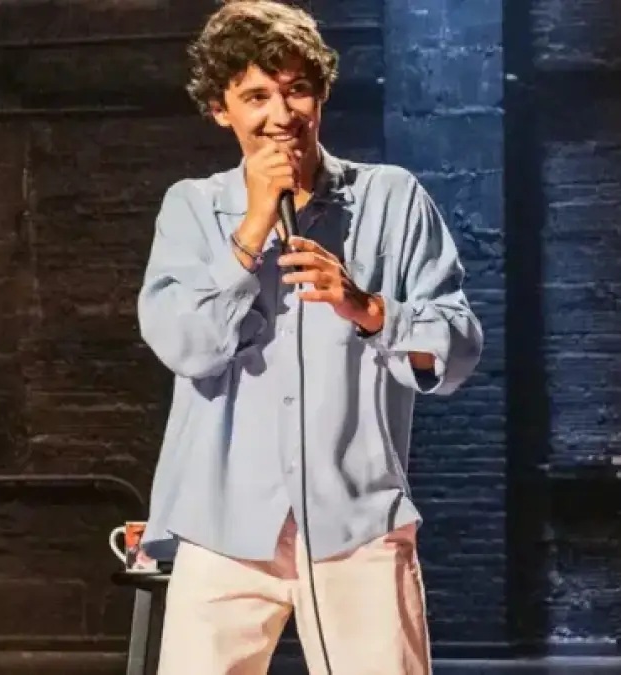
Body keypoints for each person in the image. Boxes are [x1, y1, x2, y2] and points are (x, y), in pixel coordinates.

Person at [134, 1, 485, 673]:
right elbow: (184, 346)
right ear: (221, 109)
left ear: (320, 95)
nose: (281, 114)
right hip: (223, 526)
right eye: (256, 96)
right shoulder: (192, 209)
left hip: (358, 523)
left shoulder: (391, 199)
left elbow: (458, 348)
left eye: (297, 89)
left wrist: (368, 307)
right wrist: (250, 233)